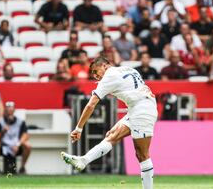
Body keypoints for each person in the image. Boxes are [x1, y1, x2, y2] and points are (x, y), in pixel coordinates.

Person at [61, 57, 157, 189]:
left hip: (142, 109)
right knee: (111, 135)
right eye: (92, 74)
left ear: (105, 66)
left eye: (96, 71)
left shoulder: (109, 75)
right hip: (139, 107)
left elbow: (91, 105)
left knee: (142, 154)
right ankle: (83, 160)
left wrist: (78, 128)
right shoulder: (127, 68)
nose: (95, 76)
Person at [0, 101, 31, 174]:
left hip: (16, 146)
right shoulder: (0, 121)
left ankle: (22, 167)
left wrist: (17, 145)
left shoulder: (20, 122)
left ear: (14, 110)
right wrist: (3, 131)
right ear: (5, 110)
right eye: (8, 109)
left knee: (28, 145)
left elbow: (26, 135)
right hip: (3, 146)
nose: (9, 111)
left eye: (11, 109)